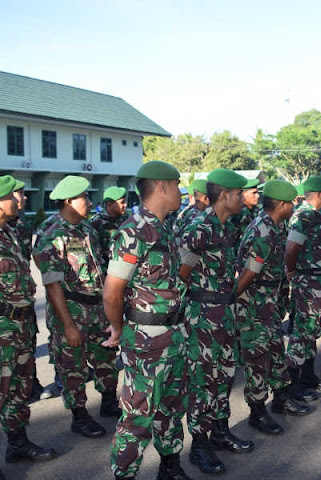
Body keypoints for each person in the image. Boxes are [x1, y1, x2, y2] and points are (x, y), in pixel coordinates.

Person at [102, 161, 191, 480]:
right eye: (177, 183)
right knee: (138, 415)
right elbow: (113, 291)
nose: (181, 191)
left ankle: (171, 467)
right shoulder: (134, 229)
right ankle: (124, 474)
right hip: (146, 340)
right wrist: (118, 328)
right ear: (163, 186)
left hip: (173, 335)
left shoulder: (163, 226)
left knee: (170, 406)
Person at [178, 168, 254, 475]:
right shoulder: (199, 229)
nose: (241, 198)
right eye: (238, 194)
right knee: (202, 383)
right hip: (203, 318)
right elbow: (180, 276)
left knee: (223, 376)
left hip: (224, 314)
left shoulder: (226, 226)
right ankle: (199, 445)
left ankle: (219, 430)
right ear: (224, 196)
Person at [33, 176, 119, 439]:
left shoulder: (87, 229)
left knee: (105, 358)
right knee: (73, 366)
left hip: (96, 309)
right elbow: (53, 285)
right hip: (71, 311)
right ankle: (79, 416)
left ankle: (108, 402)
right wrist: (68, 325)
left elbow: (100, 271)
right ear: (69, 201)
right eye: (86, 198)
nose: (91, 202)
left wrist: (109, 311)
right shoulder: (51, 234)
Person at [235, 179, 312, 436]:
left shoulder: (275, 226)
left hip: (269, 303)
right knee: (257, 359)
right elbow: (248, 273)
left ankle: (281, 398)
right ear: (280, 205)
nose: (293, 206)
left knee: (276, 352)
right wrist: (231, 299)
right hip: (255, 306)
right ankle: (257, 412)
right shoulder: (263, 231)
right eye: (291, 203)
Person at [0, 176, 57, 480]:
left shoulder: (10, 232)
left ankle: (17, 442)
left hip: (21, 323)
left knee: (19, 390)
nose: (21, 200)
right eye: (15, 196)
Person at [285, 176, 321, 398]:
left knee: (311, 333)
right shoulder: (304, 215)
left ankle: (307, 377)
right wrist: (293, 274)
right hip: (309, 283)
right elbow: (291, 248)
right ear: (320, 194)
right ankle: (290, 386)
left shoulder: (315, 215)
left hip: (318, 282)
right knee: (302, 335)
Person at [90, 186, 129, 267]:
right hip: (106, 268)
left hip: (127, 266)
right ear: (109, 204)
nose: (125, 205)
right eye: (122, 202)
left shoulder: (127, 219)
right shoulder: (97, 222)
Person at [232, 178, 261, 244]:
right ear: (243, 194)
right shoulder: (237, 213)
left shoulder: (257, 210)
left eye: (257, 192)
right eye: (254, 193)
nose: (258, 196)